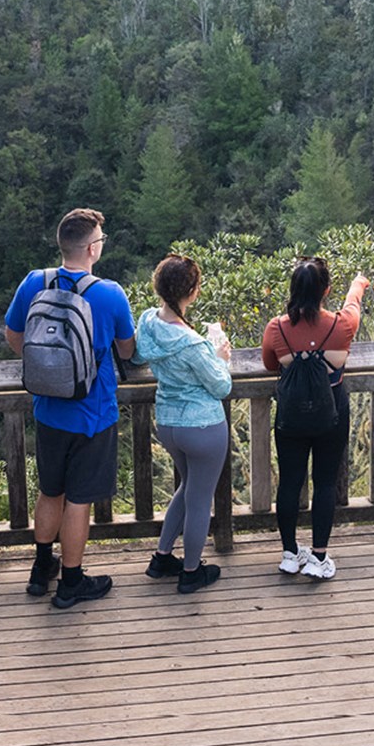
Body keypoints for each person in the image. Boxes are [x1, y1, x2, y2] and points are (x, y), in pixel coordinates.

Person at [5, 208, 136, 609]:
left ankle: (41, 569)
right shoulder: (109, 293)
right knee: (79, 500)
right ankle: (72, 582)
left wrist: (48, 371)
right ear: (93, 248)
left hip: (48, 408)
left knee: (51, 491)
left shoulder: (34, 282)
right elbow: (128, 349)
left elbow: (14, 336)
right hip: (92, 413)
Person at [262, 258, 370, 581]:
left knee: (291, 481)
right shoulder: (342, 326)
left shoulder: (276, 328)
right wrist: (359, 283)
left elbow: (270, 364)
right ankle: (319, 557)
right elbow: (353, 305)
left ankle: (290, 554)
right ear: (326, 290)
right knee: (324, 481)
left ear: (293, 290)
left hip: (291, 413)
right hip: (332, 410)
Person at [133, 255, 232, 595]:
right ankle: (191, 571)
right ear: (191, 292)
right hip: (203, 425)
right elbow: (221, 387)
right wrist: (220, 358)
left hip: (169, 423)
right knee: (201, 498)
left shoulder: (147, 321)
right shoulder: (192, 344)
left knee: (188, 487)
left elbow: (136, 356)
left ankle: (162, 558)